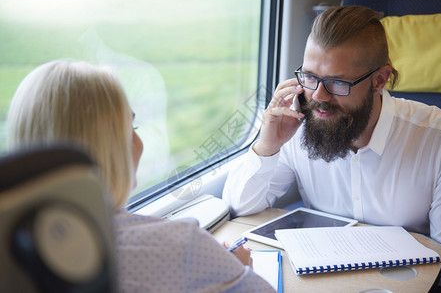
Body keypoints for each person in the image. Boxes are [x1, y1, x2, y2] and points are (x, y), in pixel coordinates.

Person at [223, 5, 441, 287]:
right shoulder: (297, 126)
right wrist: (266, 147)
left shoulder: (440, 140)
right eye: (310, 76)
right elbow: (239, 208)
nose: (318, 95)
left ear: (380, 80)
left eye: (336, 83)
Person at [7, 60, 275, 293]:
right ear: (109, 148)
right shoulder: (181, 247)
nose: (140, 142)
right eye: (130, 127)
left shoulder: (12, 260)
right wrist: (237, 273)